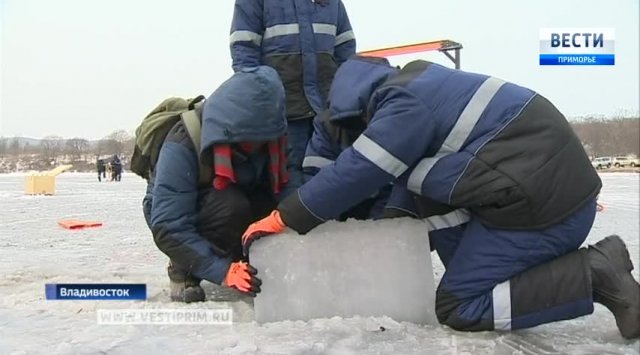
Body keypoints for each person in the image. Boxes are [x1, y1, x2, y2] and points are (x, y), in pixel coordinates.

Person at [241, 56, 640, 339]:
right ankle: (572, 272)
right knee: (420, 189)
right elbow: (396, 195)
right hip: (536, 195)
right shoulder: (423, 83)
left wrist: (283, 218)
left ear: (349, 103)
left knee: (458, 306)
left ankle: (594, 275)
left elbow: (365, 167)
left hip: (544, 209)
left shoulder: (400, 103)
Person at [143, 66, 287, 302]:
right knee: (230, 205)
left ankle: (245, 259)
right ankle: (183, 269)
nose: (261, 145)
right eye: (253, 139)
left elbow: (288, 188)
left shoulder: (273, 136)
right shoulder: (182, 143)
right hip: (183, 216)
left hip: (234, 200)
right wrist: (223, 272)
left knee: (272, 204)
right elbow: (168, 225)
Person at [229, 0, 356, 194]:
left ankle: (328, 222)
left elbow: (345, 50)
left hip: (324, 108)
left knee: (328, 170)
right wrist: (262, 99)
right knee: (289, 175)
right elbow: (244, 52)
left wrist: (342, 96)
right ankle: (296, 222)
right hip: (283, 110)